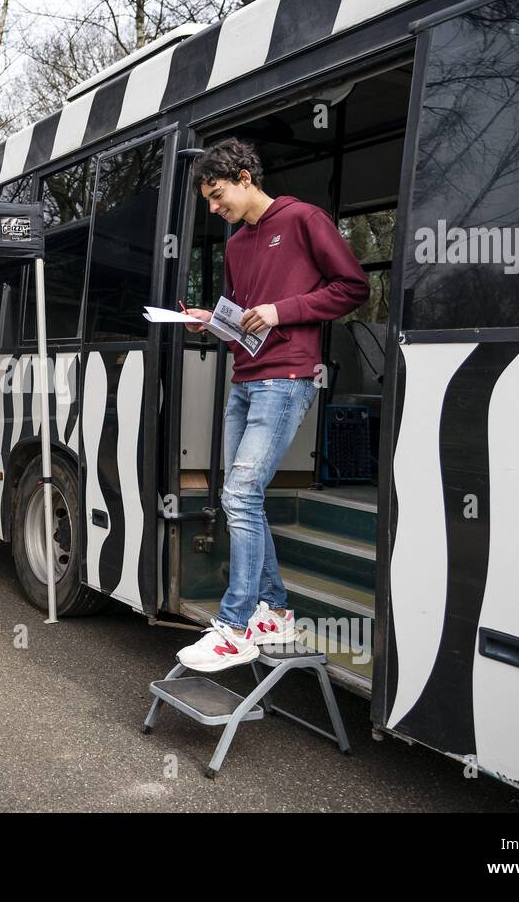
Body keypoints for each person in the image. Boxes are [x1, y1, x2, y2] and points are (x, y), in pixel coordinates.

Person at [176, 138, 368, 672]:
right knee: (244, 498)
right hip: (245, 378)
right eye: (209, 203)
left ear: (244, 176)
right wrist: (209, 323)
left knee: (239, 495)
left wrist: (283, 310)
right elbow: (243, 322)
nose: (215, 210)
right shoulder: (237, 245)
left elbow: (354, 287)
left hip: (287, 379)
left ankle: (234, 626)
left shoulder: (304, 219)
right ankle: (275, 610)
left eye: (218, 196)